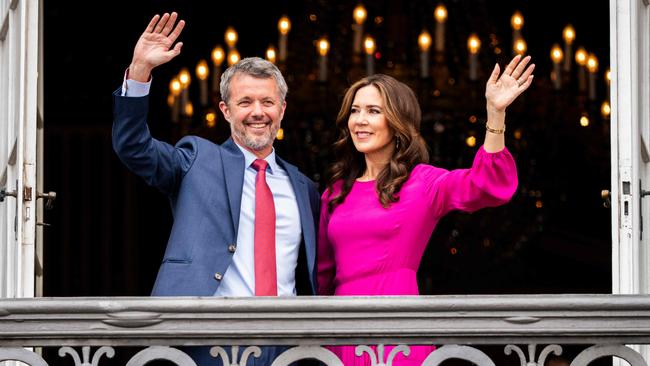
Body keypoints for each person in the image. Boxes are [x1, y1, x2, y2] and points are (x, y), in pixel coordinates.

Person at [112, 13, 320, 366]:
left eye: (268, 102)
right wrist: (139, 71)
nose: (258, 112)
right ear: (225, 110)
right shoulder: (196, 159)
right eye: (245, 102)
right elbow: (133, 146)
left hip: (289, 344)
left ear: (282, 110)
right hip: (207, 338)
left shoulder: (304, 187)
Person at [317, 55, 534, 365]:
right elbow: (323, 276)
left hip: (398, 328)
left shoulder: (423, 183)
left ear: (397, 122)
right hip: (340, 331)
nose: (360, 120)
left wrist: (495, 114)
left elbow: (488, 185)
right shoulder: (335, 193)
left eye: (373, 111)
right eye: (355, 111)